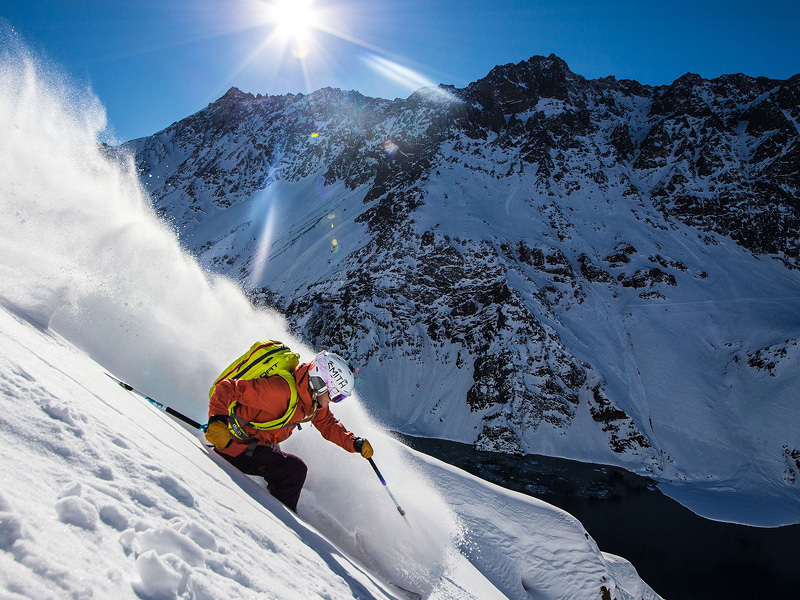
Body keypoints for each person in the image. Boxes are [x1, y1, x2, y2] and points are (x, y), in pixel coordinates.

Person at [204, 350, 373, 512]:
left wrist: (353, 442)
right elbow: (227, 388)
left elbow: (328, 424)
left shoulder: (310, 401)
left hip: (258, 444)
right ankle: (282, 520)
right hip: (234, 446)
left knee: (288, 466)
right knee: (295, 472)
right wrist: (217, 421)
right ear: (320, 383)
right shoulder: (280, 391)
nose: (333, 401)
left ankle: (277, 506)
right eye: (335, 396)